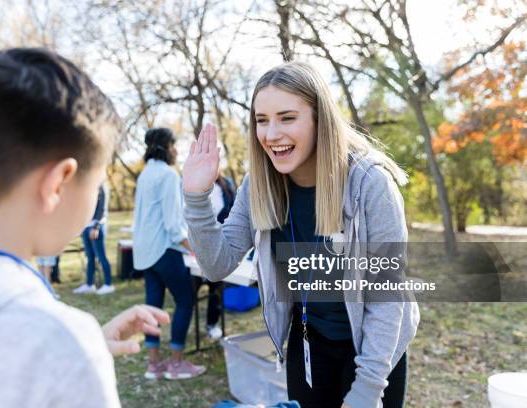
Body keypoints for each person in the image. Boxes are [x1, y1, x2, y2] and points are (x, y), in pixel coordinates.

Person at [0, 48, 171, 407]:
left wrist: (77, 349)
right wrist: (71, 355)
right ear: (59, 183)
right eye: (96, 182)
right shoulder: (61, 341)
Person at [183, 61, 419, 408]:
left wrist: (367, 390)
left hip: (374, 348)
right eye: (261, 121)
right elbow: (217, 265)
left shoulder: (370, 184)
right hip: (309, 340)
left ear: (319, 119)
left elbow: (387, 295)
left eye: (287, 118)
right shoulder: (257, 186)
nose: (271, 134)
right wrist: (196, 197)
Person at [132, 127, 206, 380]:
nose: (177, 150)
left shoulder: (145, 175)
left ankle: (154, 365)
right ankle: (176, 363)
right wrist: (195, 248)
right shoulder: (168, 175)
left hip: (144, 253)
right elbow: (173, 225)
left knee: (153, 307)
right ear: (166, 147)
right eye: (175, 145)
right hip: (164, 250)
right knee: (186, 301)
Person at [193, 174, 236, 340]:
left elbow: (233, 212)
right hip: (197, 246)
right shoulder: (194, 184)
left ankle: (212, 324)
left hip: (222, 244)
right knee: (190, 293)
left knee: (216, 287)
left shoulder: (227, 184)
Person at [73, 182, 115, 295]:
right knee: (90, 257)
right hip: (87, 226)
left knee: (101, 256)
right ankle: (89, 284)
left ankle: (108, 284)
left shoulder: (103, 186)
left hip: (97, 227)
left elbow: (102, 208)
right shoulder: (91, 184)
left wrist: (96, 226)